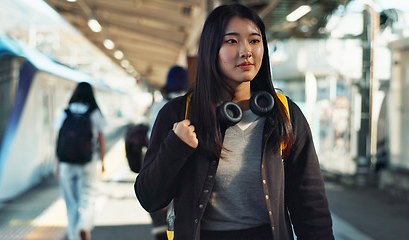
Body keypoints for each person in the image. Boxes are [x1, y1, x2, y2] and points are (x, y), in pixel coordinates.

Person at [134, 4, 334, 240]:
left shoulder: (284, 113)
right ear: (212, 50)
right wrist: (175, 147)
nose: (246, 51)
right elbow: (150, 198)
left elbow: (310, 202)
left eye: (254, 41)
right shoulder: (179, 113)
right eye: (232, 41)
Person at [54, 82, 107, 240]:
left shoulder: (65, 112)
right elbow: (101, 138)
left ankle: (73, 236)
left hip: (65, 164)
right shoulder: (93, 112)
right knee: (88, 197)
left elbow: (58, 140)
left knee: (70, 203)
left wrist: (57, 164)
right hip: (87, 163)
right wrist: (103, 161)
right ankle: (84, 225)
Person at [146, 65, 189, 240]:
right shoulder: (191, 104)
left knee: (161, 213)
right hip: (187, 169)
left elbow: (150, 138)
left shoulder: (159, 107)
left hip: (162, 166)